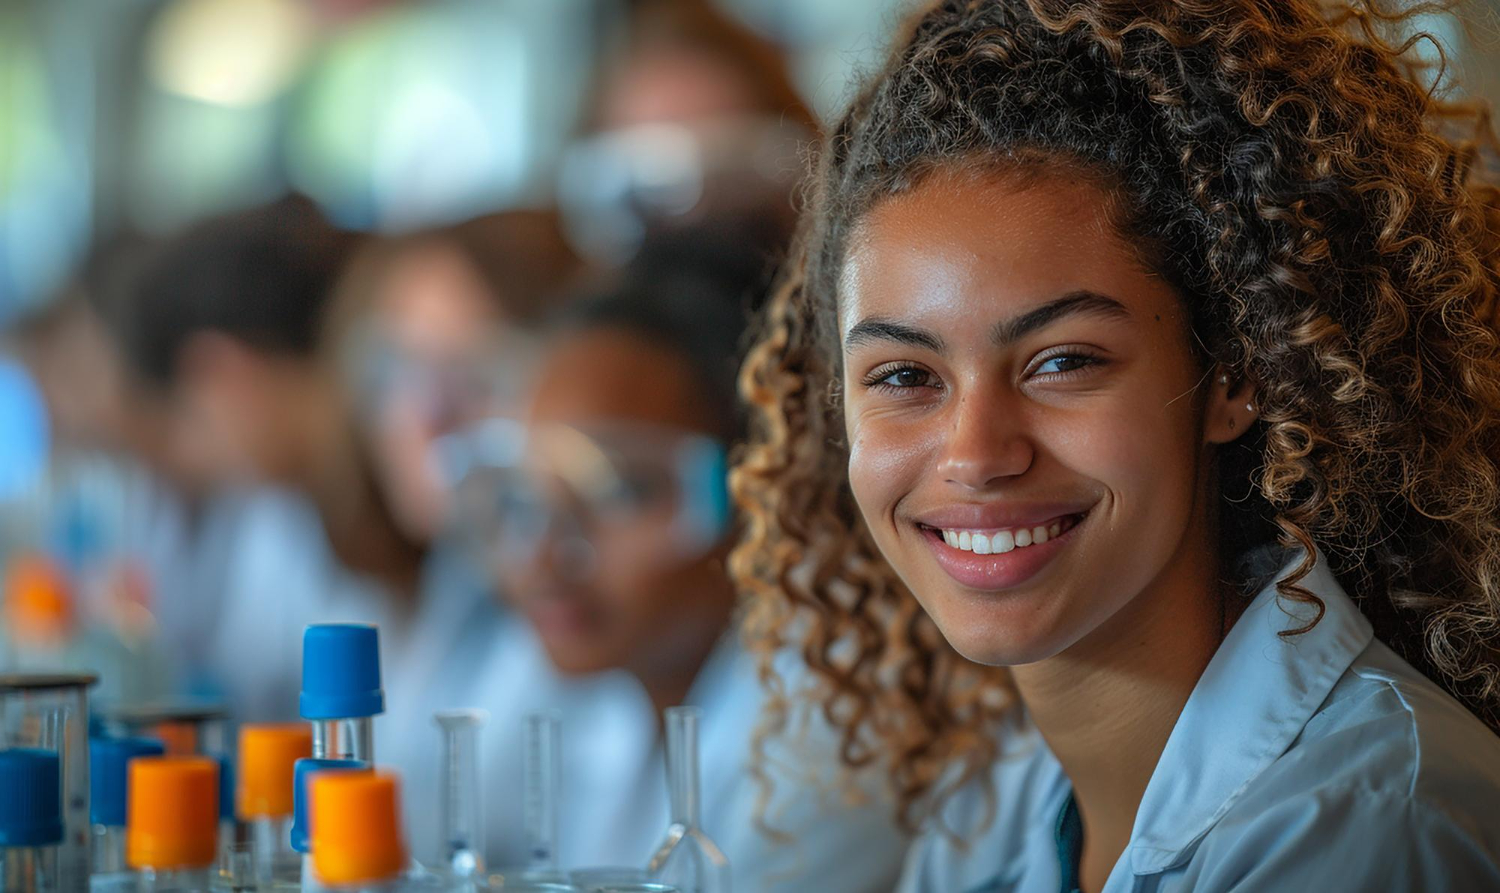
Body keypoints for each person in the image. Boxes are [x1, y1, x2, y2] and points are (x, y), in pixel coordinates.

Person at [731, 2, 1500, 892]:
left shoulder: (1371, 828)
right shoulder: (986, 816)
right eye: (905, 375)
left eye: (1063, 361)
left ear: (1233, 375)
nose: (974, 455)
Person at [450, 230, 907, 890]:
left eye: (623, 492)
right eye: (528, 496)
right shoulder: (611, 678)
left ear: (771, 486)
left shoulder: (832, 735)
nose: (544, 558)